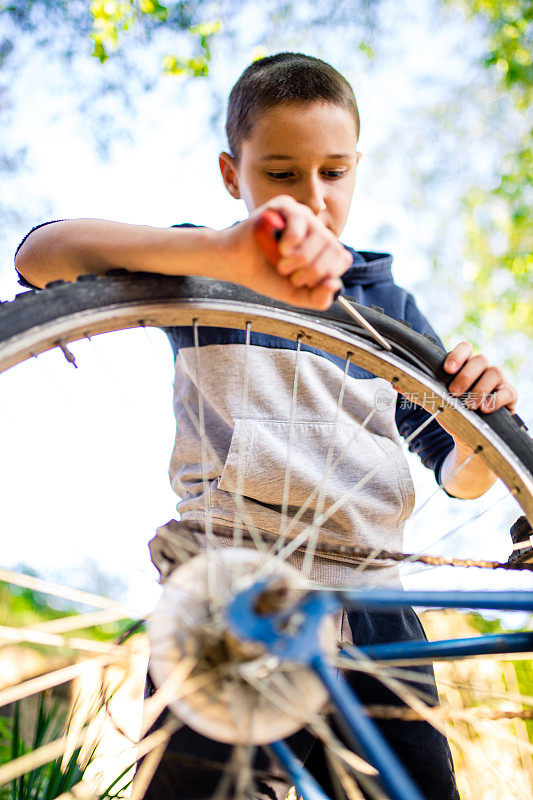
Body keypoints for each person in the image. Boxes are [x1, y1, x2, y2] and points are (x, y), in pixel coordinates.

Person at [14, 52, 518, 800]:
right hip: (224, 596)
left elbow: (460, 474)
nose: (312, 197)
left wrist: (480, 422)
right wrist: (221, 255)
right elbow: (39, 258)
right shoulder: (201, 268)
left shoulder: (391, 306)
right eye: (280, 174)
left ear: (355, 169)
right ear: (231, 174)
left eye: (333, 172)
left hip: (374, 611)